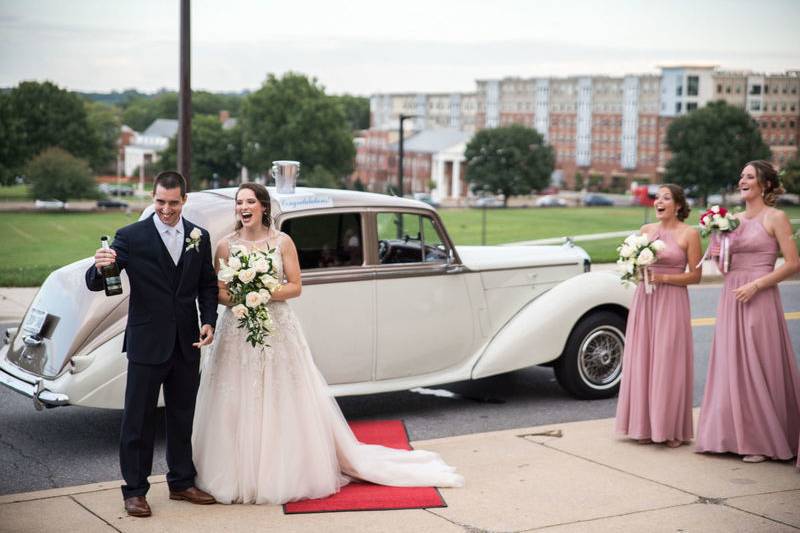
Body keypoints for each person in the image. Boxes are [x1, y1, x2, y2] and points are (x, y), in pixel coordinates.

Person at [192, 183, 463, 505]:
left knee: (280, 395)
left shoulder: (282, 241)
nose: (243, 207)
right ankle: (233, 470)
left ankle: (279, 469)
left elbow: (295, 287)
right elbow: (218, 291)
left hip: (277, 327)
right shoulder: (225, 245)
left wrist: (262, 291)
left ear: (263, 207)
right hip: (237, 328)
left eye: (250, 201)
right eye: (239, 203)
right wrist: (244, 296)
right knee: (235, 395)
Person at [86, 171, 219, 517]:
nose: (166, 209)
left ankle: (181, 482)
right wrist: (99, 267)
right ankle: (134, 490)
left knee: (182, 416)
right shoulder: (130, 237)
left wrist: (208, 320)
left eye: (173, 203)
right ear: (153, 198)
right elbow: (98, 280)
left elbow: (207, 284)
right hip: (147, 342)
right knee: (138, 419)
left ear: (184, 200)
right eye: (160, 201)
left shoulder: (199, 237)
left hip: (187, 341)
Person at [696, 160, 800, 463]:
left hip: (760, 295)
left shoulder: (776, 217)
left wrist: (757, 286)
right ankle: (729, 436)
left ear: (765, 184)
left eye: (750, 176)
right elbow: (725, 265)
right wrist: (717, 247)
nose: (742, 180)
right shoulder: (732, 220)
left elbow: (794, 264)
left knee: (758, 363)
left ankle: (763, 440)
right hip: (732, 295)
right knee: (732, 365)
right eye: (741, 175)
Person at [615, 184, 702, 447]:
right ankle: (642, 426)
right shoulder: (646, 232)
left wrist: (664, 277)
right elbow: (634, 267)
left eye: (666, 198)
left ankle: (670, 429)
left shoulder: (690, 234)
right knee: (642, 359)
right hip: (646, 300)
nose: (659, 202)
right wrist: (633, 268)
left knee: (668, 361)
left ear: (678, 205)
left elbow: (696, 276)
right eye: (657, 198)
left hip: (672, 301)